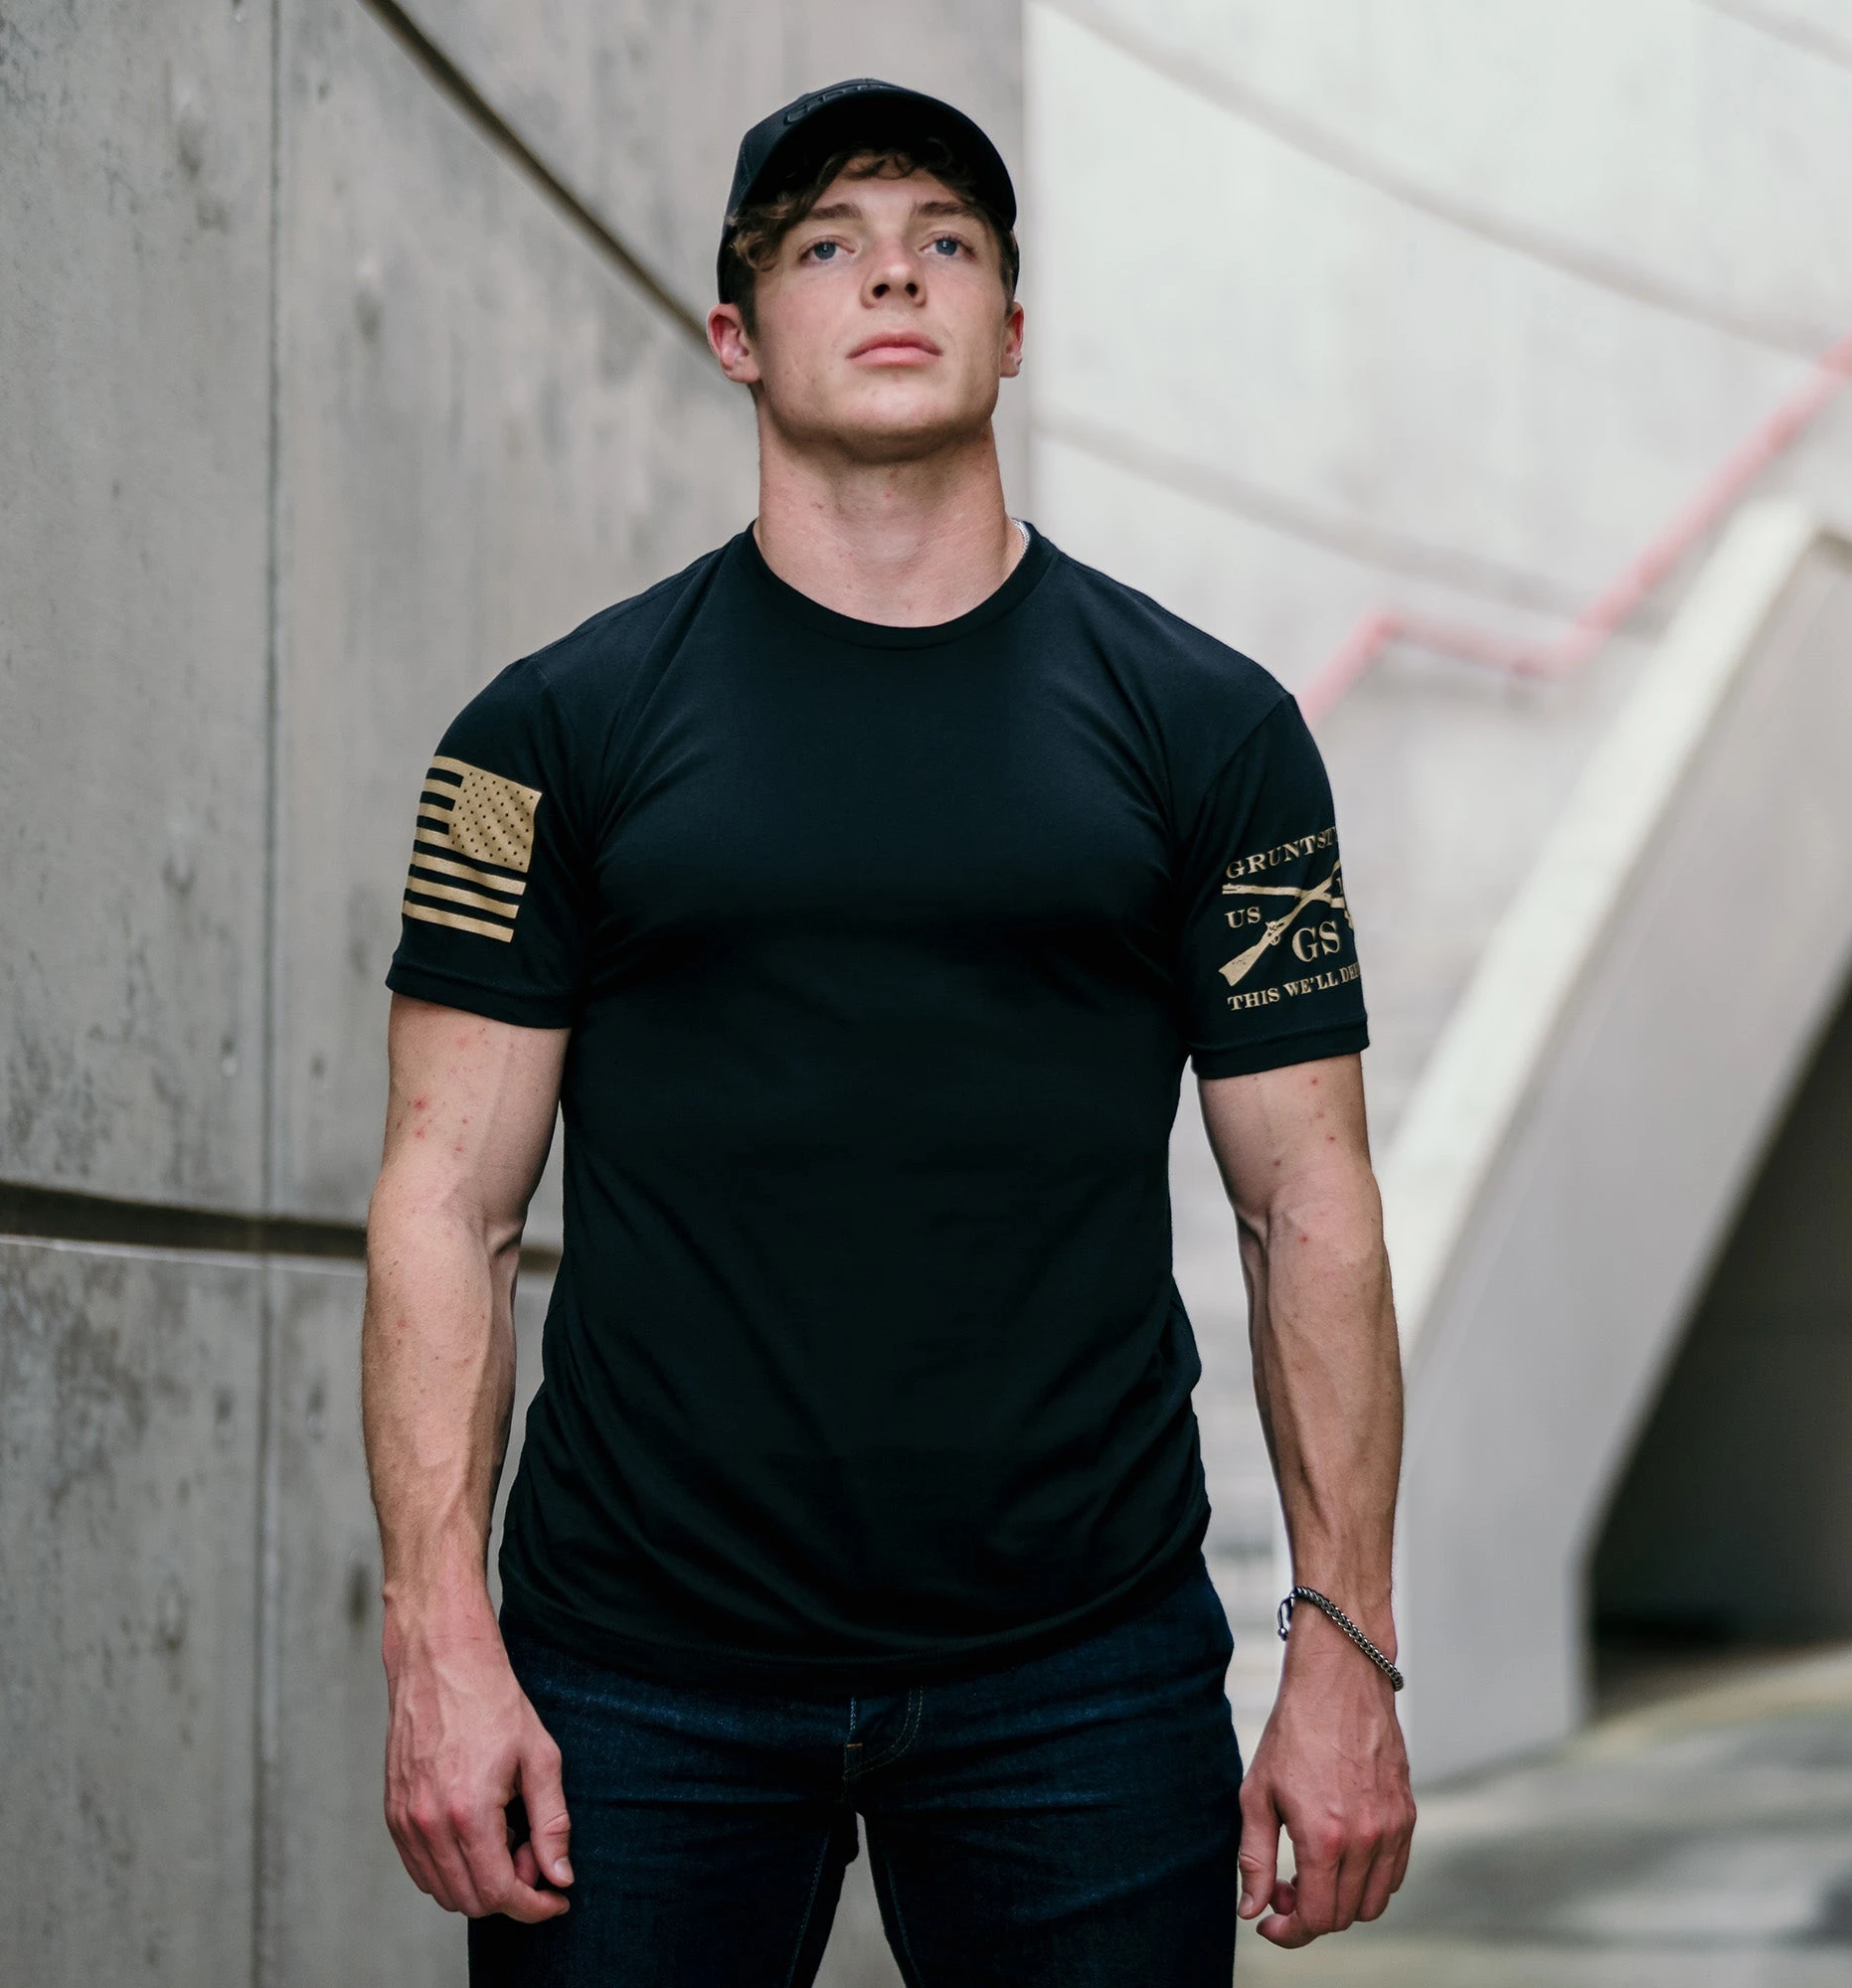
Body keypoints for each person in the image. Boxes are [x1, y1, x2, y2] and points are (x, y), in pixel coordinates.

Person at [362, 79, 1414, 1987]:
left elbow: (1310, 1201)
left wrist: (1344, 1648)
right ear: (735, 334)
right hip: (640, 1675)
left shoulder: (1220, 733)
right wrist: (439, 1642)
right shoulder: (537, 741)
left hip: (1082, 1667)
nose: (895, 275)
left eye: (946, 240)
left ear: (1013, 328)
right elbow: (445, 1206)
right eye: (828, 244)